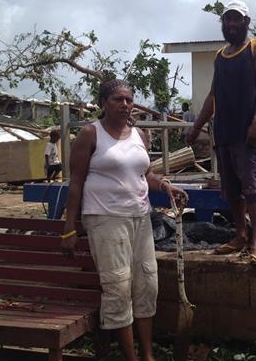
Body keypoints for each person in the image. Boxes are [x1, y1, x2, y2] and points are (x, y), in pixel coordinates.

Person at [61, 79, 187, 361]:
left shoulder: (139, 135)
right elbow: (76, 183)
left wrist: (165, 185)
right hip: (105, 219)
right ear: (103, 103)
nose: (125, 105)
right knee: (118, 287)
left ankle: (148, 354)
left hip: (140, 218)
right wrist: (69, 228)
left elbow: (145, 175)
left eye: (129, 99)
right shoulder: (90, 134)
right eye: (118, 99)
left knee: (147, 284)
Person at [186, 0, 256, 266]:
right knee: (232, 191)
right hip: (224, 133)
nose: (231, 24)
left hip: (247, 133)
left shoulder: (255, 48)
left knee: (253, 189)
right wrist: (197, 126)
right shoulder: (220, 56)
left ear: (246, 22)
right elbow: (213, 94)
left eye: (236, 19)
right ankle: (240, 236)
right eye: (227, 20)